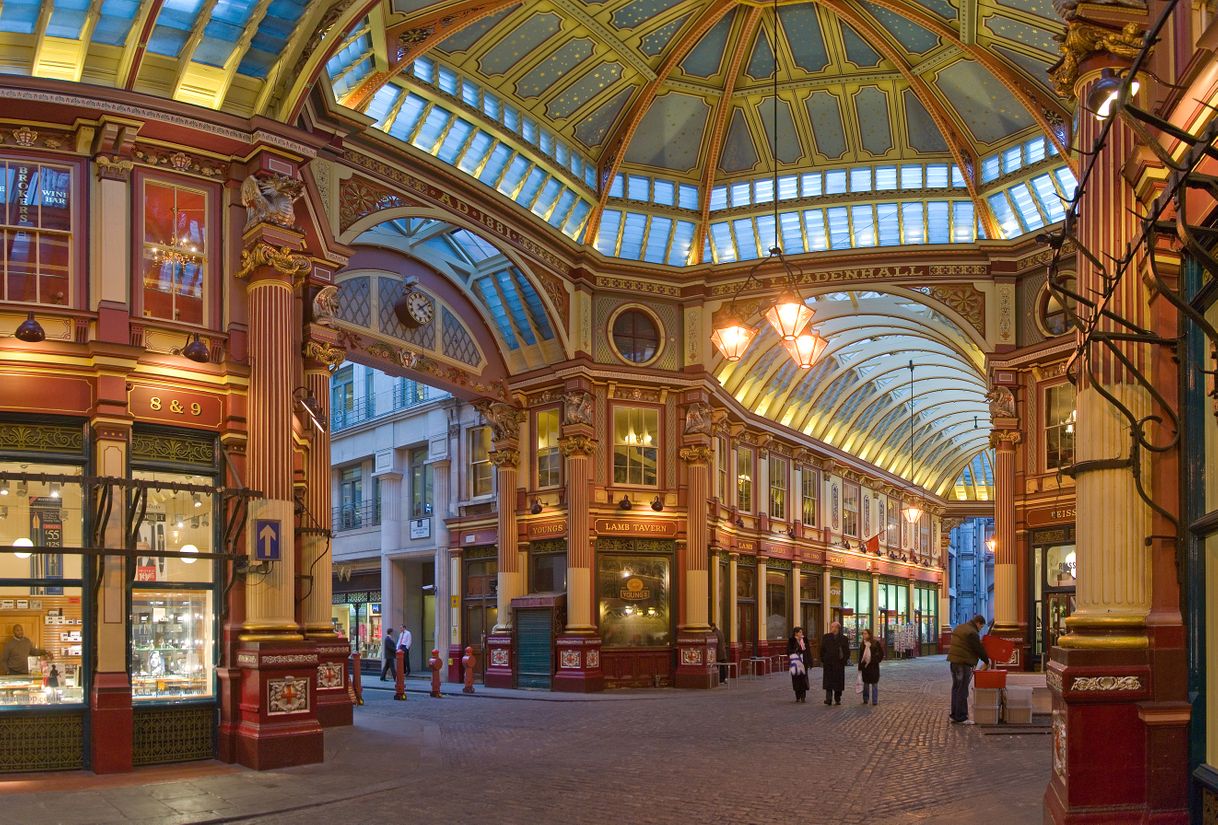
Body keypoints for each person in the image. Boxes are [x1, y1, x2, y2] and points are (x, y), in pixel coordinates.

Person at [947, 614, 992, 723]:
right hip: (963, 663)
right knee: (962, 689)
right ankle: (962, 717)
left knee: (956, 688)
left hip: (954, 662)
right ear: (978, 623)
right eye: (981, 627)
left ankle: (954, 715)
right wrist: (986, 661)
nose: (980, 629)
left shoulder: (960, 627)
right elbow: (978, 648)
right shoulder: (972, 632)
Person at [819, 621, 851, 705]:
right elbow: (822, 649)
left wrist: (844, 660)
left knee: (838, 682)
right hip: (828, 664)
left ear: (837, 628)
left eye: (833, 627)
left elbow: (847, 651)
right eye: (831, 626)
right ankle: (828, 699)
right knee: (828, 682)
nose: (831, 628)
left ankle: (837, 698)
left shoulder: (843, 638)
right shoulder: (826, 637)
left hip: (838, 664)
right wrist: (823, 659)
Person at [857, 628, 884, 706]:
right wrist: (860, 667)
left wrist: (876, 660)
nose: (864, 635)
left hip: (873, 667)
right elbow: (861, 656)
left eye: (865, 633)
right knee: (866, 684)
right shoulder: (862, 644)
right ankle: (865, 699)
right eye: (863, 634)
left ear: (869, 634)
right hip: (865, 667)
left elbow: (881, 654)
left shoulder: (875, 643)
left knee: (874, 684)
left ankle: (874, 700)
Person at [787, 626, 813, 703]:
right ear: (796, 633)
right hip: (795, 662)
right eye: (800, 632)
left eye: (802, 632)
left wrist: (810, 662)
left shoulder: (804, 640)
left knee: (803, 679)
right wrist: (796, 647)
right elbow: (788, 651)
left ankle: (803, 697)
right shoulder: (791, 640)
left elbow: (808, 651)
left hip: (803, 662)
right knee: (796, 679)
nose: (801, 634)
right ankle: (797, 696)